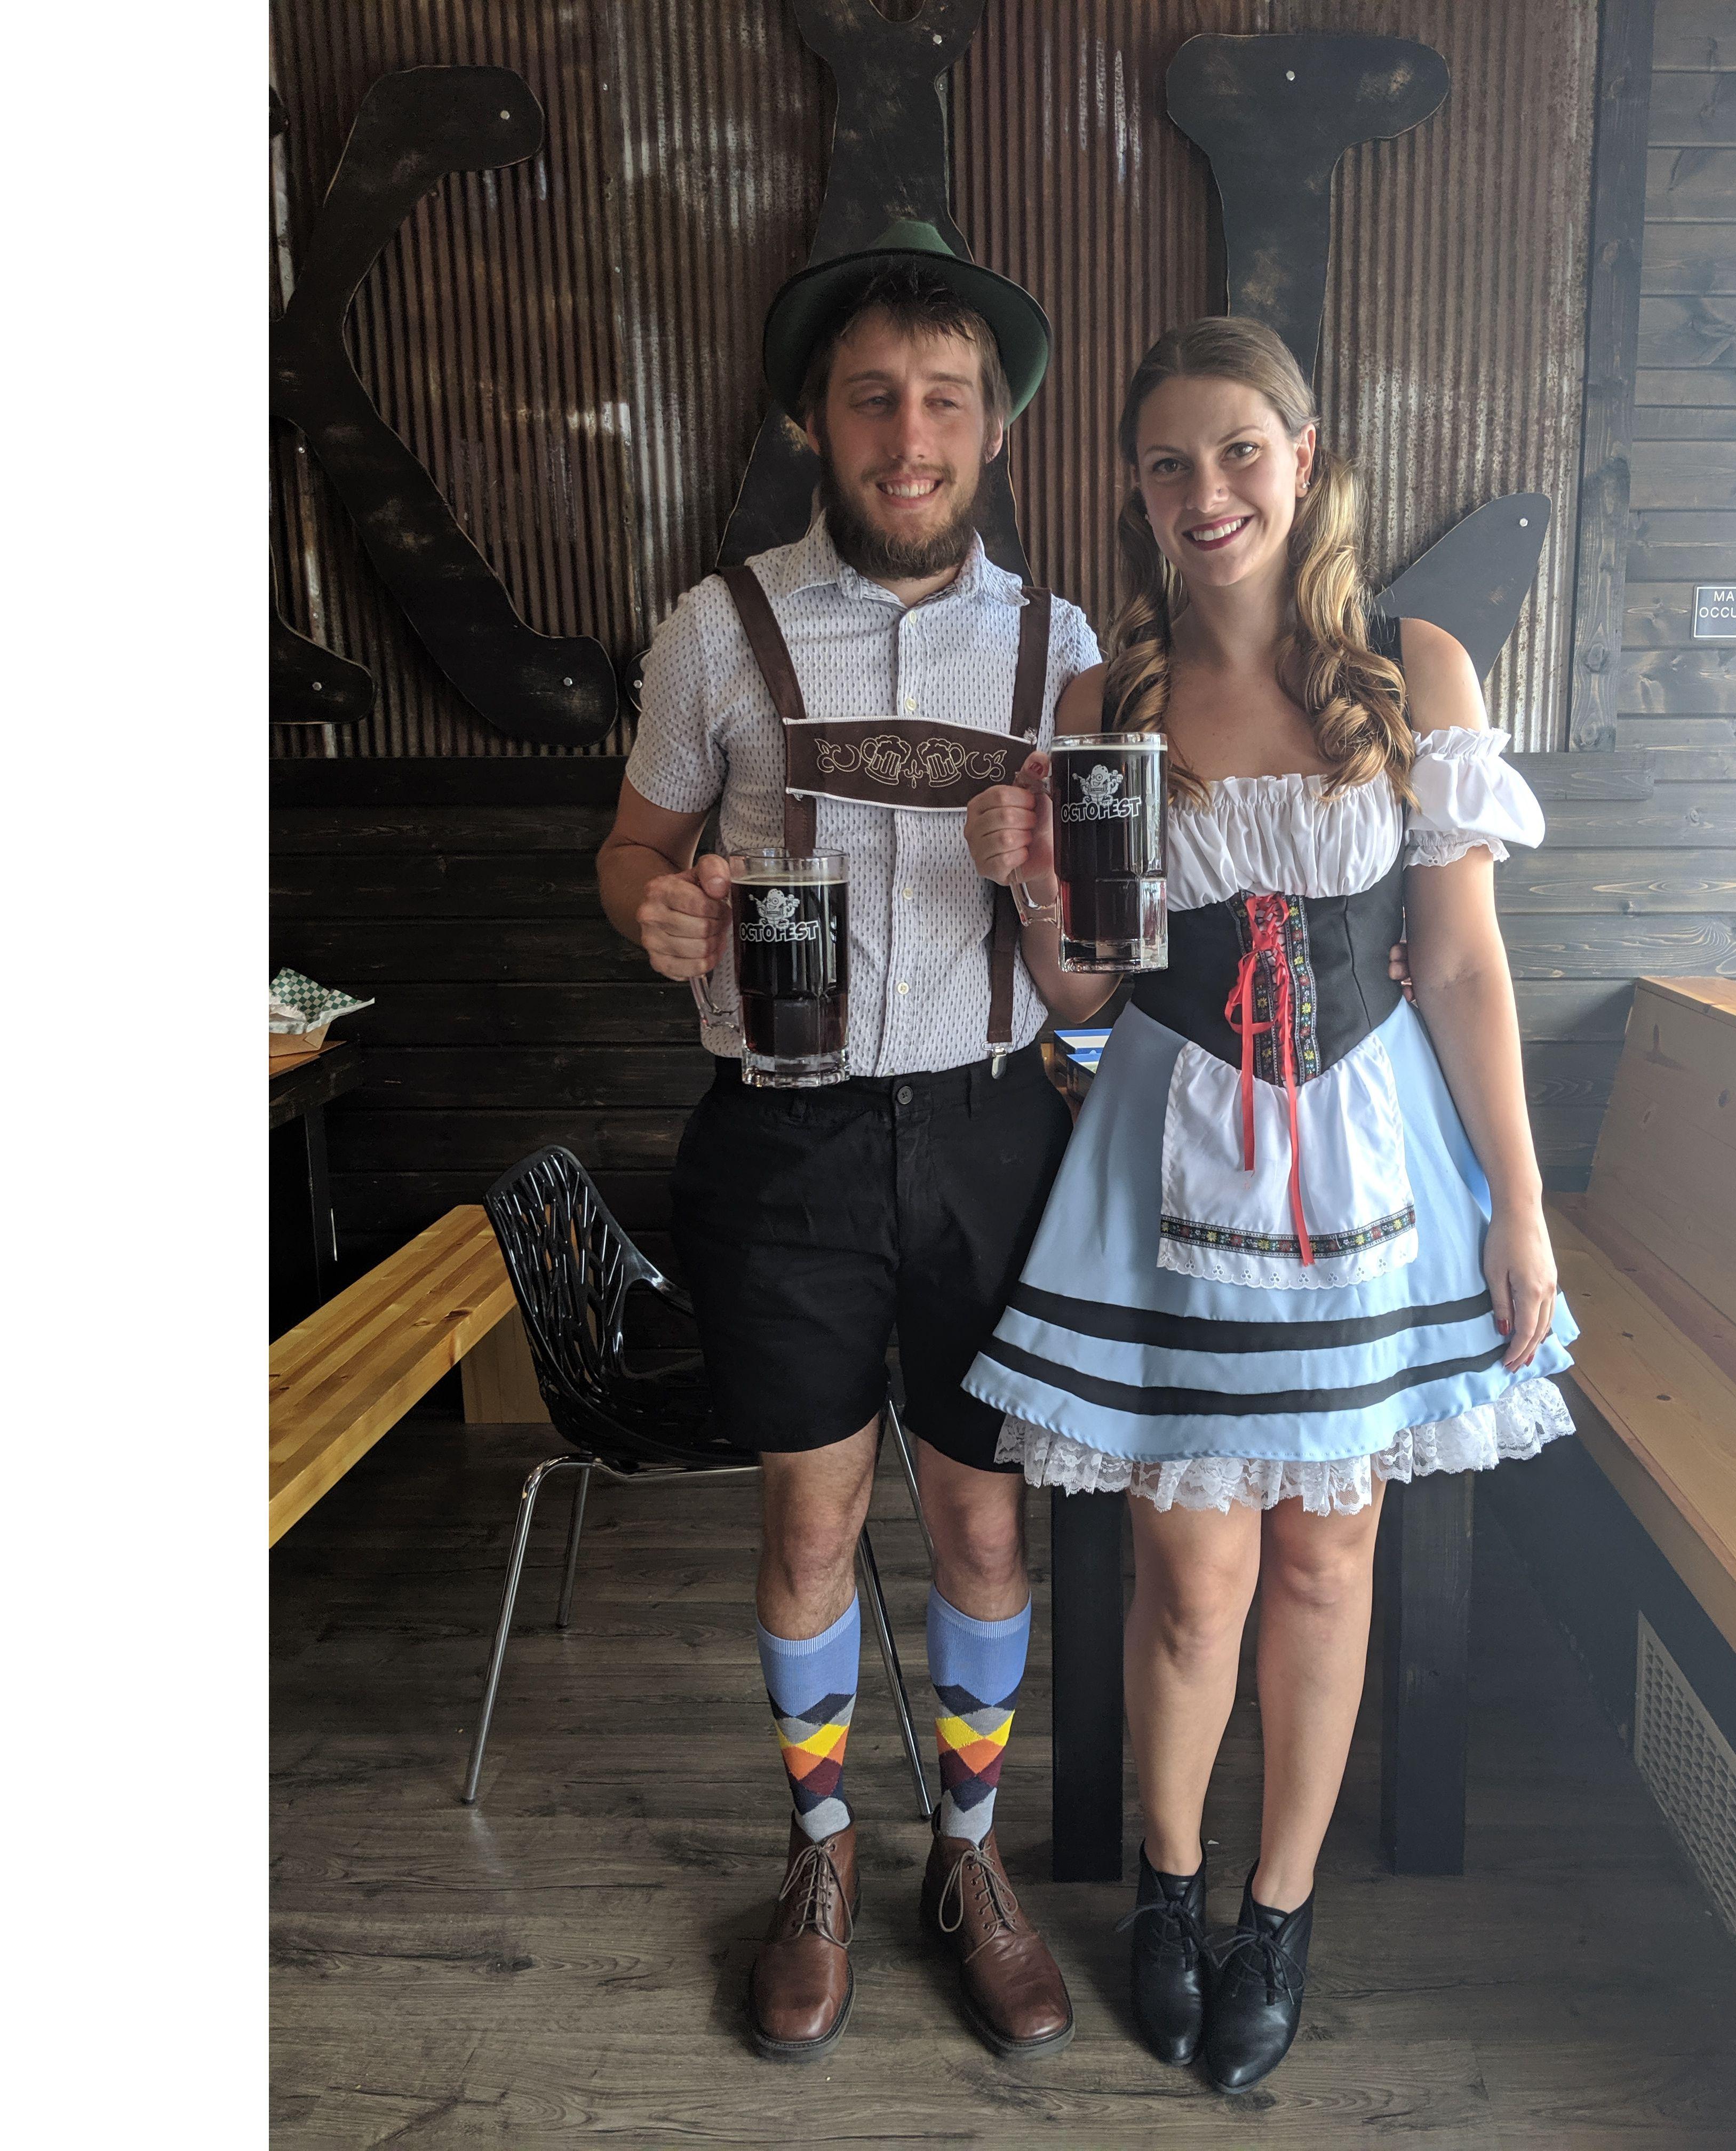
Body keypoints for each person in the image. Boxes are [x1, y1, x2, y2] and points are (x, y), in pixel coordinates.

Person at [960, 317, 1580, 2095]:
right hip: (1173, 1150)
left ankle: (1280, 1908)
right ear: (1137, 489)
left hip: (1373, 1159)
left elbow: (1460, 965)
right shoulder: (1106, 703)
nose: (1206, 490)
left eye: (1240, 450)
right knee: (1191, 1572)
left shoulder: (1415, 667)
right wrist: (1026, 887)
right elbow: (1084, 994)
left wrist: (1521, 1205)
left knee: (1327, 1552)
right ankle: (1168, 1891)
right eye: (1169, 461)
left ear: (1305, 460)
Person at [596, 221, 1108, 2065]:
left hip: (993, 1133)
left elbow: (1088, 972)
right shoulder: (713, 630)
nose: (911, 436)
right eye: (875, 398)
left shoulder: (1059, 652)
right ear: (816, 420)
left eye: (946, 401)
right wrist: (659, 913)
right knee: (811, 1526)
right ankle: (820, 1845)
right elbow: (633, 853)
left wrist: (1040, 884)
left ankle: (966, 1851)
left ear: (994, 431)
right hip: (784, 1144)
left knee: (981, 1523)